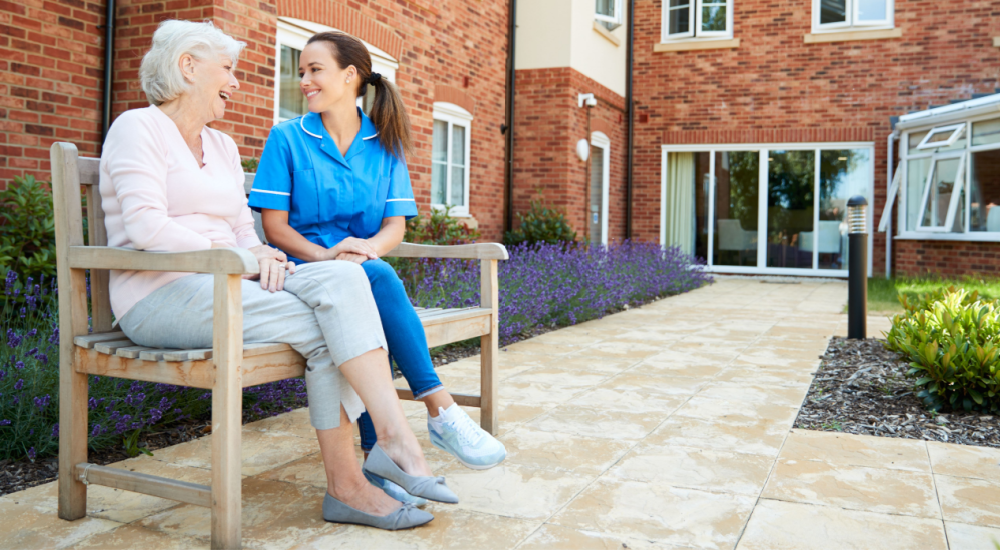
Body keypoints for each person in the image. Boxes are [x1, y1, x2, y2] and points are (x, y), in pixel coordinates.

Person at [99, 19, 454, 530]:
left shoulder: (219, 146)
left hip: (230, 284)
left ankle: (384, 452)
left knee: (348, 280)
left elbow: (245, 228)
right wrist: (247, 260)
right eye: (228, 70)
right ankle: (369, 469)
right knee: (333, 327)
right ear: (187, 67)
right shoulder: (138, 127)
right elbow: (147, 226)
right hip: (161, 295)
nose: (237, 82)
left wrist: (260, 255)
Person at [248, 31, 506, 505]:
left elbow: (394, 227)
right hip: (303, 274)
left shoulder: (384, 142)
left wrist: (364, 250)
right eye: (300, 71)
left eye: (314, 69)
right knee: (376, 281)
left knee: (369, 287)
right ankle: (439, 409)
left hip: (358, 272)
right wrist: (329, 256)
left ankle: (379, 459)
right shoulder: (287, 137)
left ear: (350, 76)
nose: (304, 79)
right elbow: (275, 229)